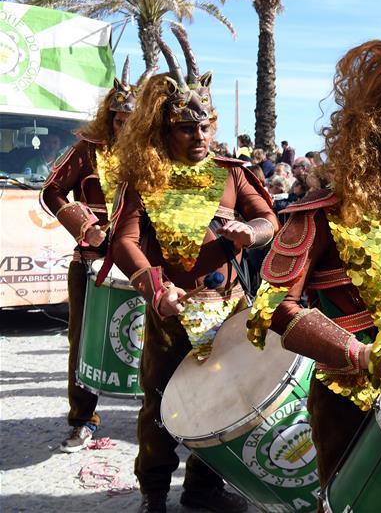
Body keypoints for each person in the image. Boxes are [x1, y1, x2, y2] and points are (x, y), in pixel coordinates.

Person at [246, 9, 381, 495]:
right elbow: (272, 306)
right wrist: (357, 353)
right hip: (347, 404)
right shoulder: (320, 215)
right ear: (367, 147)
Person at [109, 26, 276, 513]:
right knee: (161, 404)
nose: (199, 136)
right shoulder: (144, 179)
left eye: (205, 127)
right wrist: (156, 289)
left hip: (229, 311)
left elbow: (269, 219)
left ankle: (203, 489)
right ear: (165, 130)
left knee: (224, 401)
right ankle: (154, 494)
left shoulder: (232, 172)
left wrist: (250, 233)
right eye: (186, 128)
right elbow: (124, 242)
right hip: (171, 313)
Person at [40, 56, 151, 453]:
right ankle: (82, 419)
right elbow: (51, 191)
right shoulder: (88, 150)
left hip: (145, 260)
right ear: (110, 118)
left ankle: (160, 422)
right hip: (91, 260)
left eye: (132, 120)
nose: (125, 126)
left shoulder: (156, 152)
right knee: (82, 339)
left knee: (158, 341)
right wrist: (85, 226)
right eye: (119, 120)